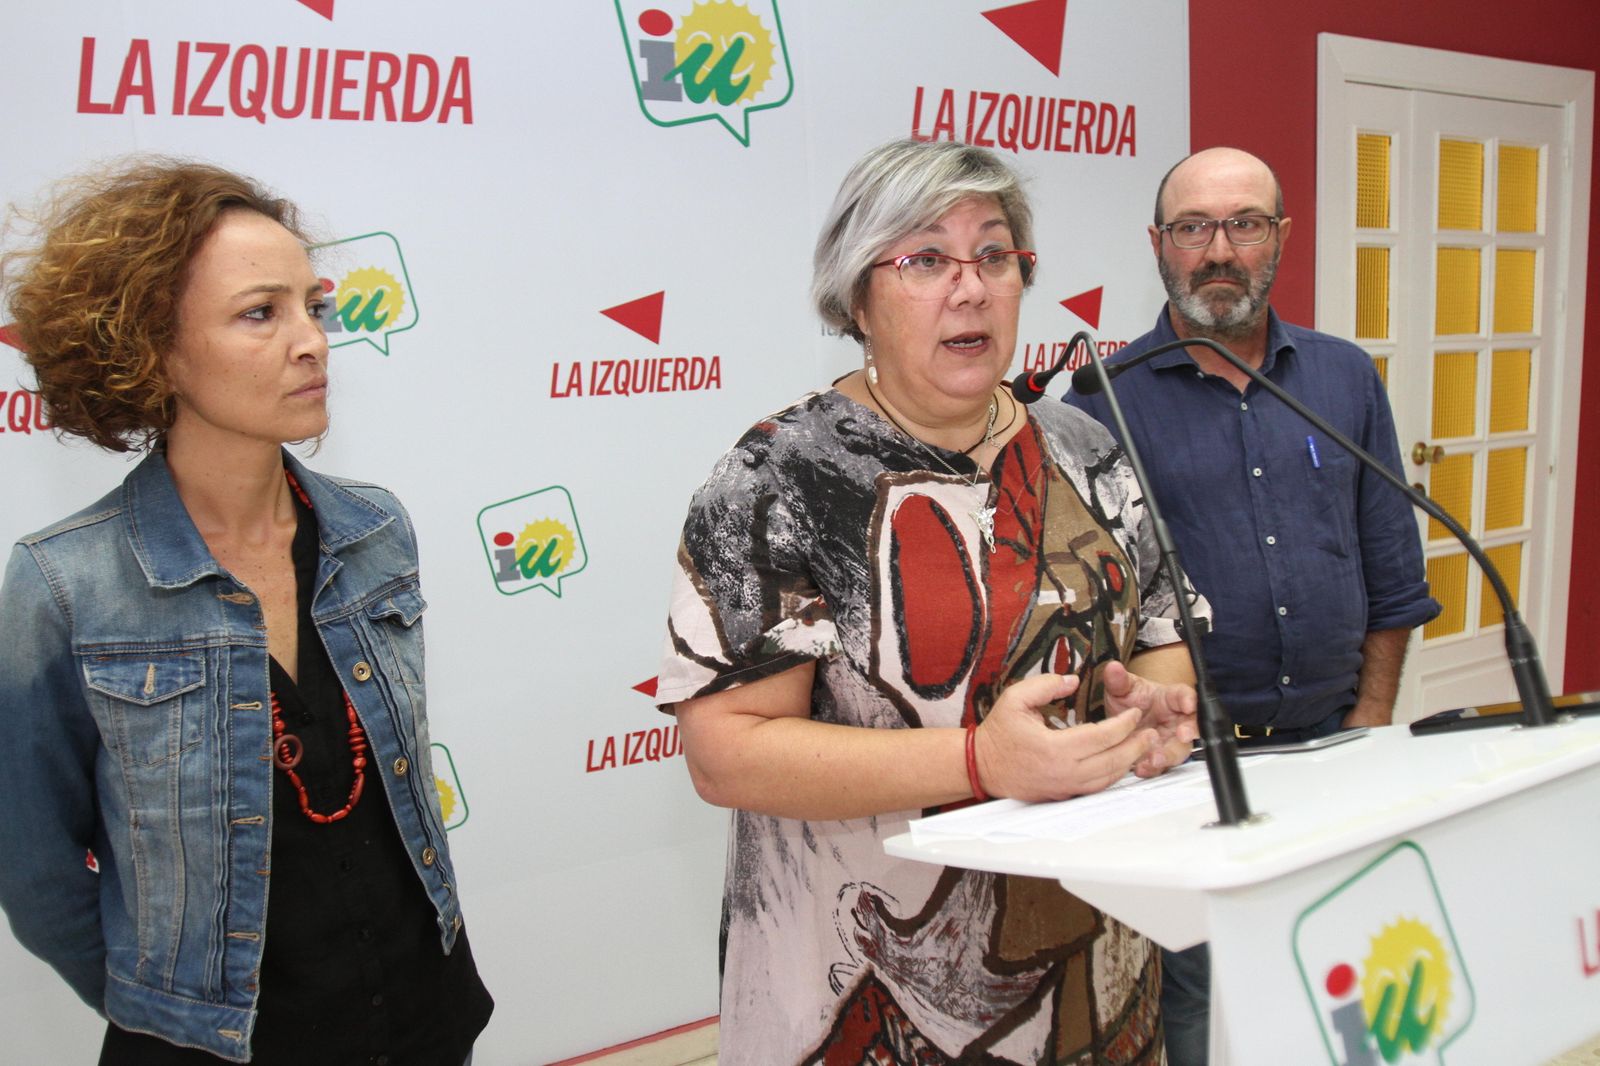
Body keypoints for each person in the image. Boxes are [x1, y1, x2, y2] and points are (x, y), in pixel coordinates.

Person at [657, 138, 1209, 1064]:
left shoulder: (1084, 446)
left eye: (995, 254)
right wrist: (981, 760)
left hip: (1099, 964)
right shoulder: (777, 477)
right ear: (856, 298)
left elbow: (1165, 629)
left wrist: (1151, 704)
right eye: (924, 259)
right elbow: (728, 754)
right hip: (872, 983)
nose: (972, 288)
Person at [0, 160, 492, 1064]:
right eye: (261, 313)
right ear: (152, 348)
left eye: (316, 306)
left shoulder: (374, 530)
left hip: (424, 1020)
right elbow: (34, 872)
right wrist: (169, 1012)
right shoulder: (66, 583)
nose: (312, 342)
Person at [1066, 146, 1439, 1065]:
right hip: (1191, 769)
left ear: (1281, 237)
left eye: (1245, 224)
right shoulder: (1098, 401)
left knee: (1338, 979)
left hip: (1337, 744)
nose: (1219, 249)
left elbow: (1393, 567)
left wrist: (1373, 719)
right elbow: (1099, 611)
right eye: (1194, 227)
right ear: (1159, 245)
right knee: (1196, 1004)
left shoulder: (1344, 378)